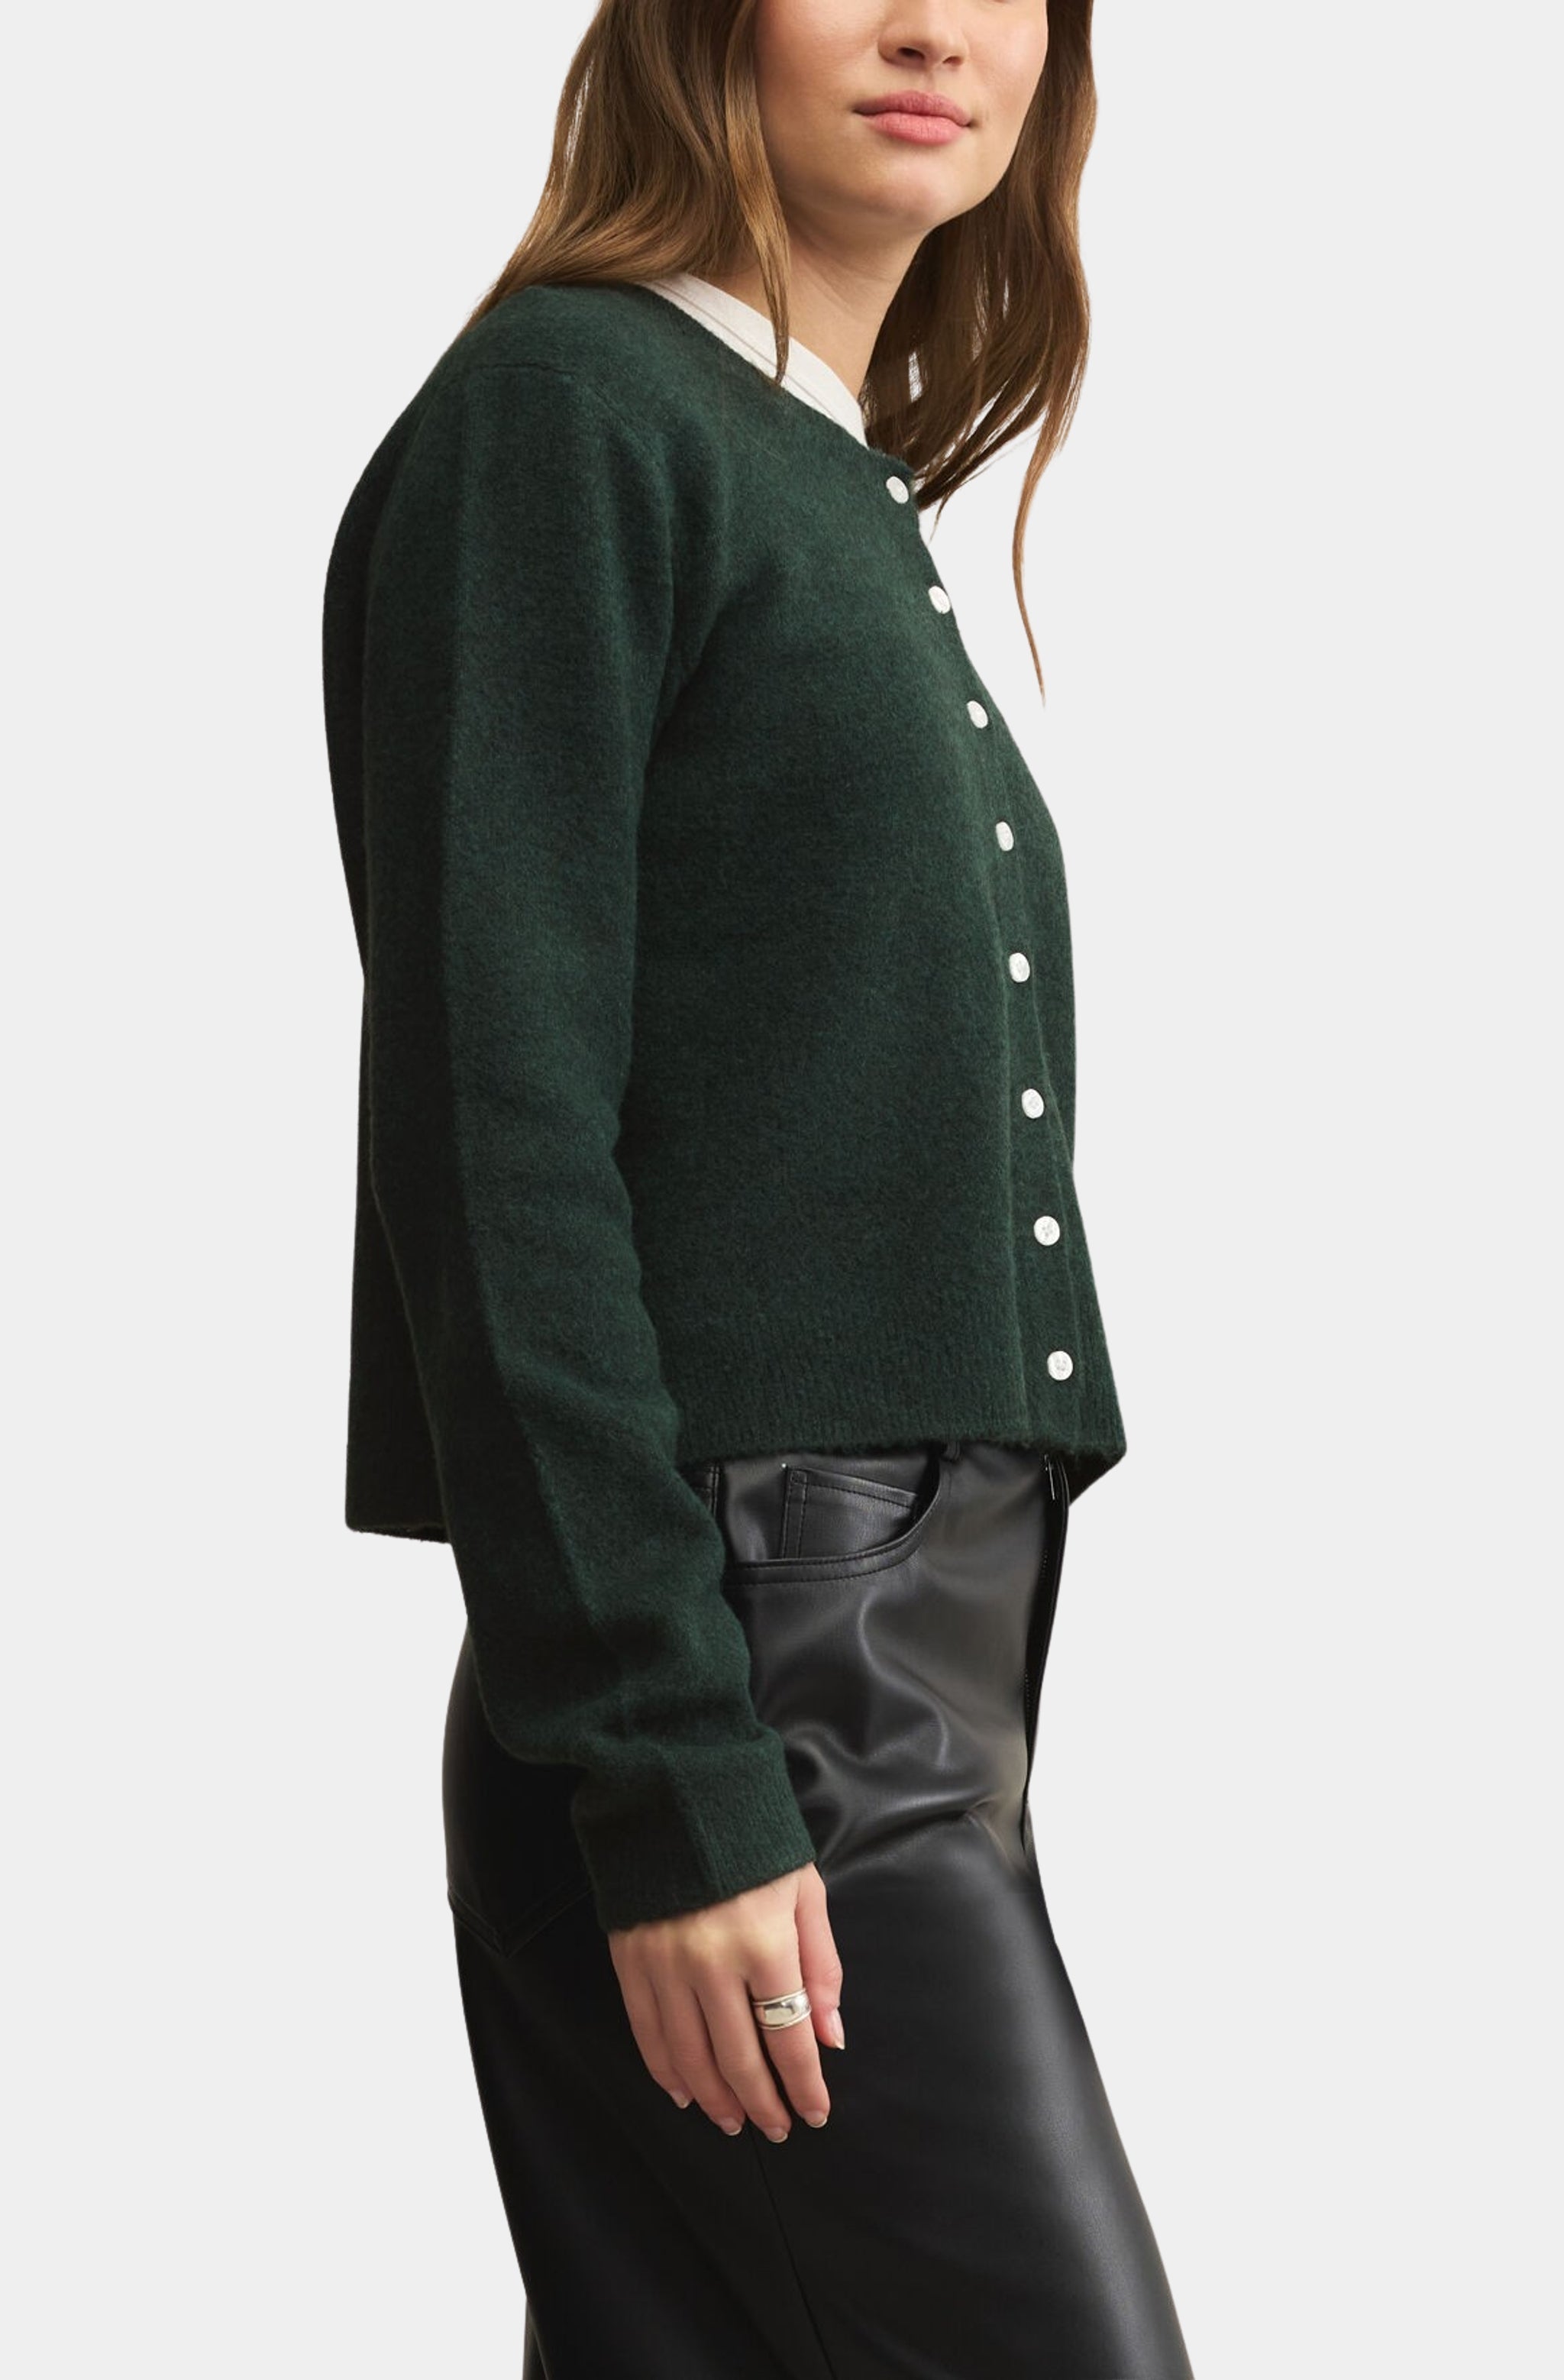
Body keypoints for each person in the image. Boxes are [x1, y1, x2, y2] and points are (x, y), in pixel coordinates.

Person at [321, 2, 1197, 2372]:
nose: (936, 25)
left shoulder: (814, 464)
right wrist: (674, 1763)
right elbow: (493, 1130)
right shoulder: (574, 414)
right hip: (752, 1675)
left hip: (869, 1668)